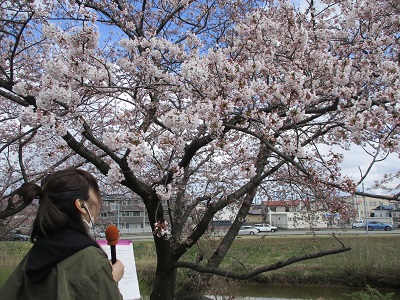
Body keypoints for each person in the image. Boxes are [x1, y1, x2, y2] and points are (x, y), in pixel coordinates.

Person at [0, 169, 124, 300]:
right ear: (81, 206)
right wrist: (110, 280)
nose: (96, 217)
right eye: (95, 206)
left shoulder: (37, 253)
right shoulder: (90, 259)